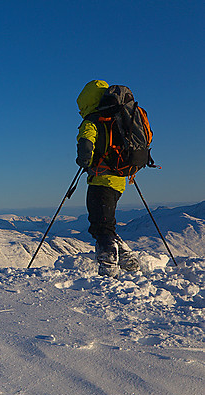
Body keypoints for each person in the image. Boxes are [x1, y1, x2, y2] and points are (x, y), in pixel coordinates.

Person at [76, 80, 141, 277]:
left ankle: (108, 266)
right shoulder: (117, 118)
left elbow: (86, 143)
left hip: (101, 179)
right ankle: (126, 258)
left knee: (100, 225)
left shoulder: (93, 120)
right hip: (119, 179)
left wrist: (84, 160)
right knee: (106, 223)